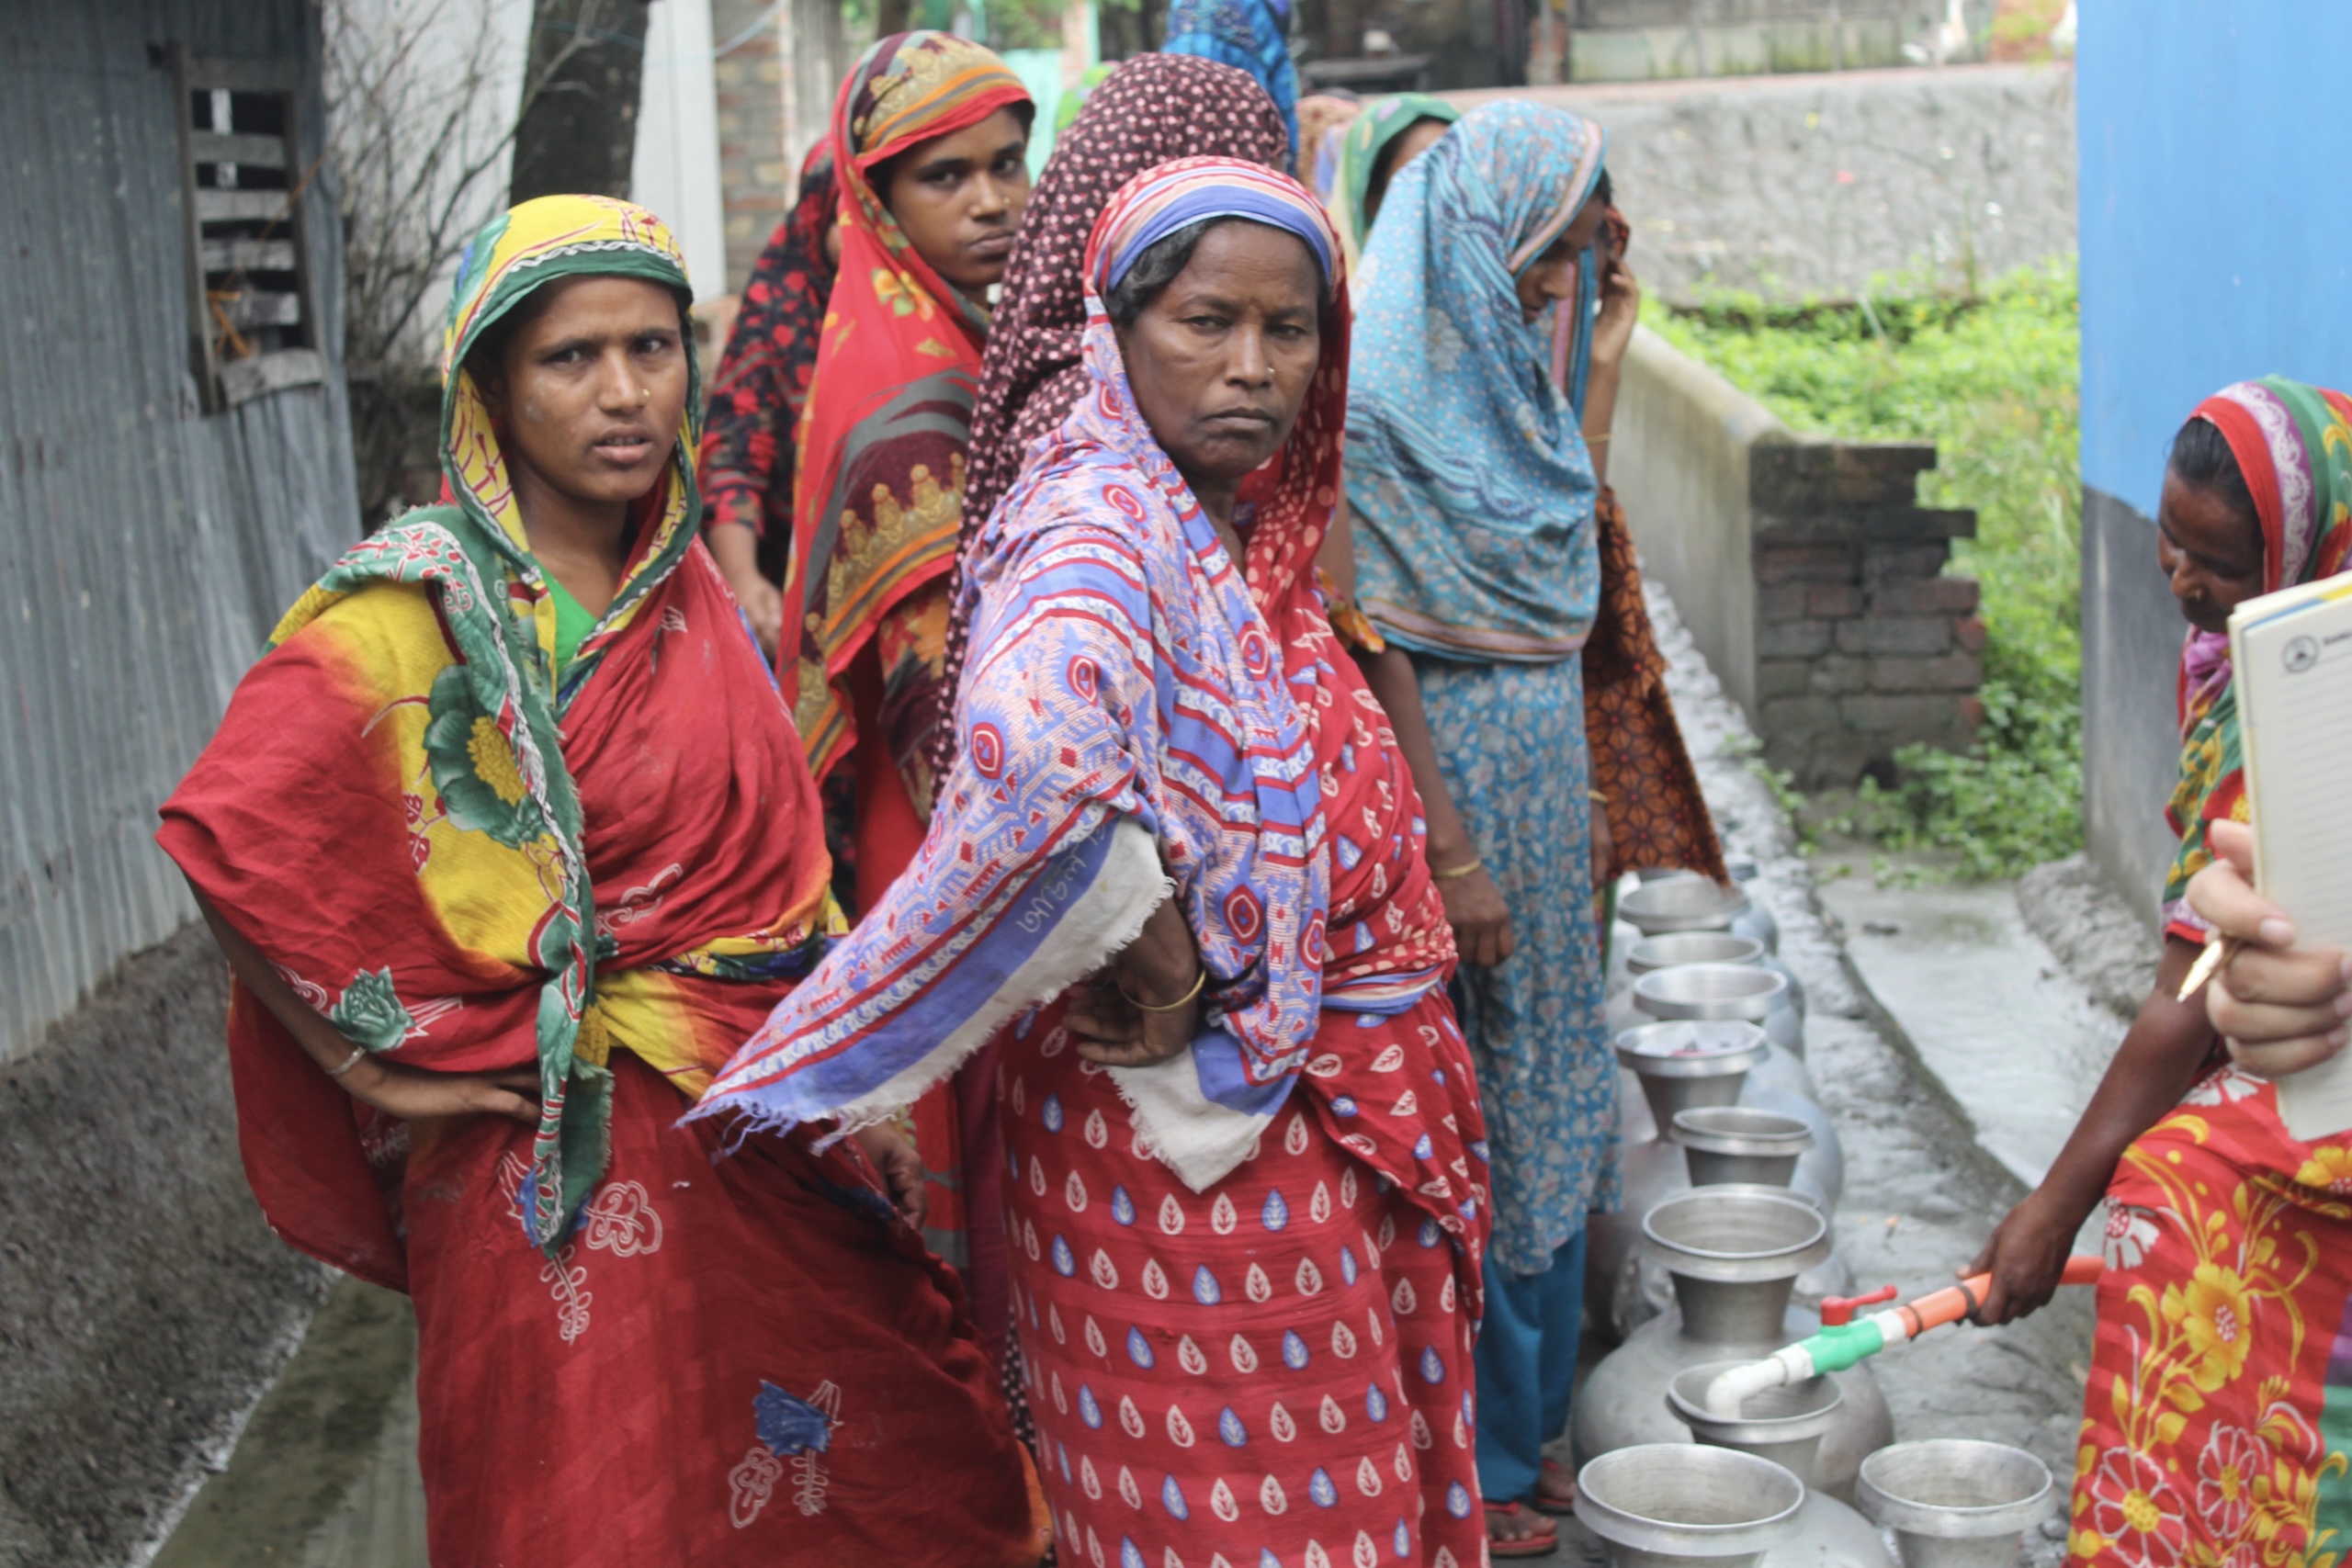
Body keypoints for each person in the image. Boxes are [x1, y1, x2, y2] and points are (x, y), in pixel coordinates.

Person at [156, 197, 1046, 1566]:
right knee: (577, 1498)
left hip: (756, 1116)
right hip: (544, 1157)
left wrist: (854, 1075)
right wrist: (371, 1066)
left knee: (884, 1456)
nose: (626, 392)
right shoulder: (422, 602)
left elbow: (780, 864)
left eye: (653, 345)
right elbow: (233, 834)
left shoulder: (682, 583)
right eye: (572, 358)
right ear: (493, 388)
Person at [696, 156, 1493, 1568]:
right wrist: (1176, 965)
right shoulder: (1099, 525)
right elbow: (1045, 756)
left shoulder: (1227, 523)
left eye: (1290, 330)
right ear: (1113, 330)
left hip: (1290, 1129)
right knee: (1273, 1518)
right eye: (1204, 322)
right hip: (1198, 1155)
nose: (1252, 366)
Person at [1342, 101, 1719, 1558]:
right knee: (1464, 1111)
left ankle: (1533, 1421)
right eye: (1549, 253)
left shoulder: (1509, 385)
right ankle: (1479, 1454)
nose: (1562, 284)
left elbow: (1573, 536)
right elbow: (1370, 643)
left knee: (1553, 1089)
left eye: (1574, 258)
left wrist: (1604, 366)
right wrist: (1452, 852)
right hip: (1462, 827)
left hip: (1547, 824)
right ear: (1481, 233)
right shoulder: (1380, 413)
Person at [1966, 378, 2352, 1568]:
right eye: (2172, 539)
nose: (2184, 578)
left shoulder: (2312, 708)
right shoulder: (2222, 668)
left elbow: (2182, 1005)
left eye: (2223, 564)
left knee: (2168, 1189)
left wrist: (2053, 1205)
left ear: (2307, 553)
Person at [777, 30, 1034, 1315]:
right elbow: (944, 720)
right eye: (948, 177)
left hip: (935, 829)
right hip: (948, 840)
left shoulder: (939, 333)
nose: (992, 200)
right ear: (877, 198)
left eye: (1007, 164)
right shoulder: (914, 387)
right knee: (968, 1168)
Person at [701, 142, 838, 653]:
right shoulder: (778, 311)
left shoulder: (936, 304)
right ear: (814, 217)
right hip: (798, 587)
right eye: (851, 215)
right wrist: (745, 578)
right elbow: (734, 454)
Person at [1326, 92, 1459, 274]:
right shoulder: (1340, 289)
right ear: (1371, 200)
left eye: (1459, 176)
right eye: (1421, 187)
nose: (1449, 199)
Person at [1162, 0, 1300, 158]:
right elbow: (1278, 73)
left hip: (1182, 117)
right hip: (1242, 118)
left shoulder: (1181, 4)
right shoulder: (1257, 6)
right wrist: (1290, 157)